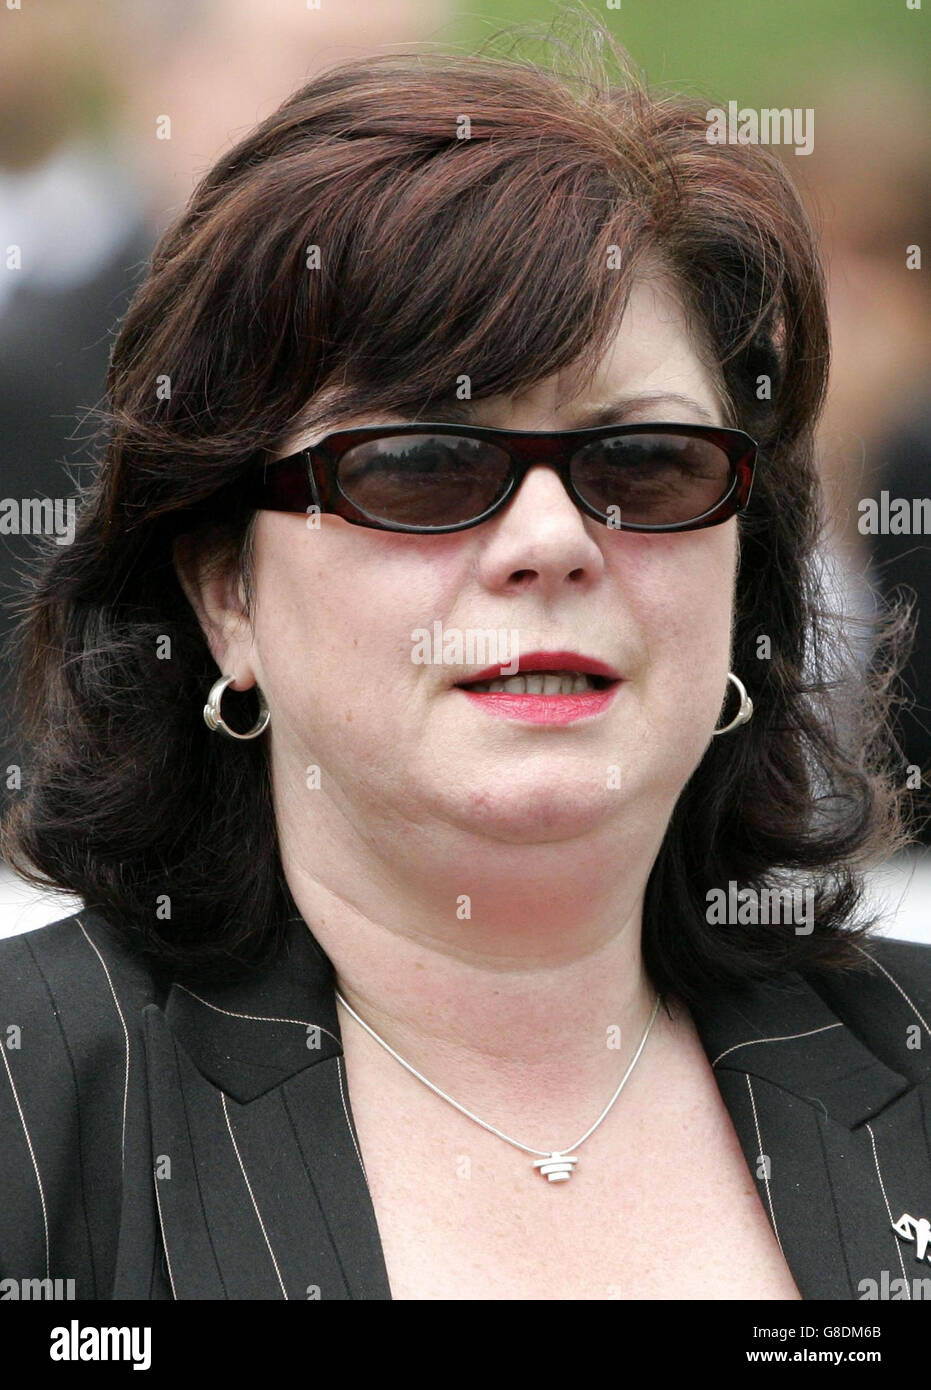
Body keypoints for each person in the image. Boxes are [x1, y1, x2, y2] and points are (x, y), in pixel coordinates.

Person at [1, 34, 929, 1302]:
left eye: (644, 465)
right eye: (424, 466)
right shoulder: (36, 1111)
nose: (552, 540)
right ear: (226, 594)